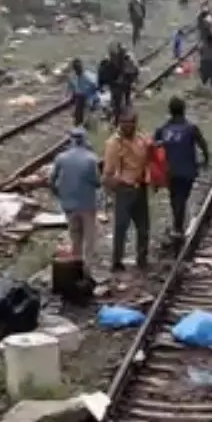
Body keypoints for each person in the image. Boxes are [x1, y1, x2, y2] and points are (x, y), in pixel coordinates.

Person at [152, 97, 210, 245]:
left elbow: (152, 148)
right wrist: (206, 160)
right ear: (184, 109)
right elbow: (202, 145)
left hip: (169, 171)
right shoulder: (191, 128)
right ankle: (178, 227)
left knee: (175, 197)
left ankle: (177, 226)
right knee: (182, 197)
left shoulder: (163, 129)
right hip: (187, 170)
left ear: (169, 110)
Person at [49, 127, 102, 274]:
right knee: (89, 237)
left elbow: (51, 180)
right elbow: (97, 182)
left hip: (68, 204)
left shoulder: (61, 158)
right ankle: (88, 268)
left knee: (75, 236)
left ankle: (76, 266)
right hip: (87, 204)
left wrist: (59, 194)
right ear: (85, 140)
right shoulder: (91, 159)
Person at [103, 110, 151, 272]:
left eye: (130, 122)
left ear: (135, 123)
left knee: (143, 227)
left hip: (141, 186)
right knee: (121, 226)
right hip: (124, 188)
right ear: (119, 124)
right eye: (124, 122)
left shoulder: (141, 140)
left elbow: (148, 158)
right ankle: (117, 261)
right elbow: (108, 171)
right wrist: (113, 187)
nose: (127, 126)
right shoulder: (113, 144)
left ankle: (142, 258)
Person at [67, 58, 98, 127]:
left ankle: (85, 125)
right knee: (77, 116)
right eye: (76, 68)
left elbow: (95, 86)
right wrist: (72, 98)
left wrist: (91, 97)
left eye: (78, 68)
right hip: (79, 97)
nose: (77, 69)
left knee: (85, 115)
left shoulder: (87, 77)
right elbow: (72, 88)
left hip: (87, 97)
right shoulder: (72, 77)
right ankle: (79, 125)